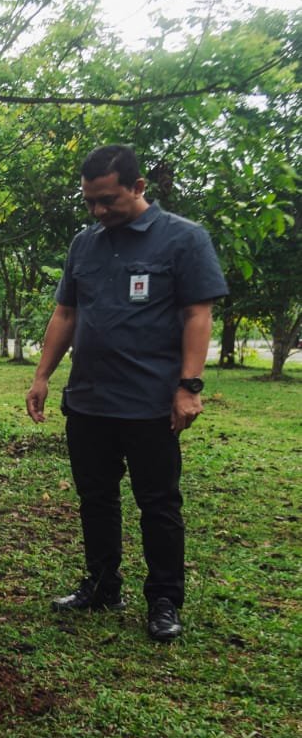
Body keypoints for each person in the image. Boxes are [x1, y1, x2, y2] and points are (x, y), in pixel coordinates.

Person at [25, 144, 228, 642]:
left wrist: (189, 386)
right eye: (90, 201)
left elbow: (197, 315)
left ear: (138, 188)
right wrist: (43, 375)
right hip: (90, 398)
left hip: (150, 401)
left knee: (158, 502)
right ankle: (101, 584)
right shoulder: (84, 244)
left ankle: (163, 599)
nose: (98, 211)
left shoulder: (183, 239)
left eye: (108, 200)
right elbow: (66, 314)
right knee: (95, 497)